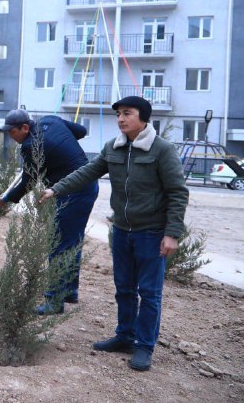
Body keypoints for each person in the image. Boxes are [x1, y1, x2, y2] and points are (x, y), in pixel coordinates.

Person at [41, 96, 188, 372]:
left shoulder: (162, 150)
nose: (120, 119)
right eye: (118, 114)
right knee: (124, 289)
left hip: (151, 233)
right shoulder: (114, 147)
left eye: (127, 113)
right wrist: (55, 189)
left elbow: (177, 193)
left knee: (149, 293)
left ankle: (144, 347)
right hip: (122, 231)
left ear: (143, 118)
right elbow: (87, 172)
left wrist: (172, 233)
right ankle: (124, 337)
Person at [0, 109, 99, 315]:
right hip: (88, 185)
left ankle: (54, 301)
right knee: (72, 240)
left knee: (59, 244)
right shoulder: (51, 120)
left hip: (72, 192)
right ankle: (69, 291)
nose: (11, 136)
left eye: (12, 132)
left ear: (25, 128)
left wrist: (8, 198)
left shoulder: (29, 146)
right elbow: (81, 130)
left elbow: (29, 181)